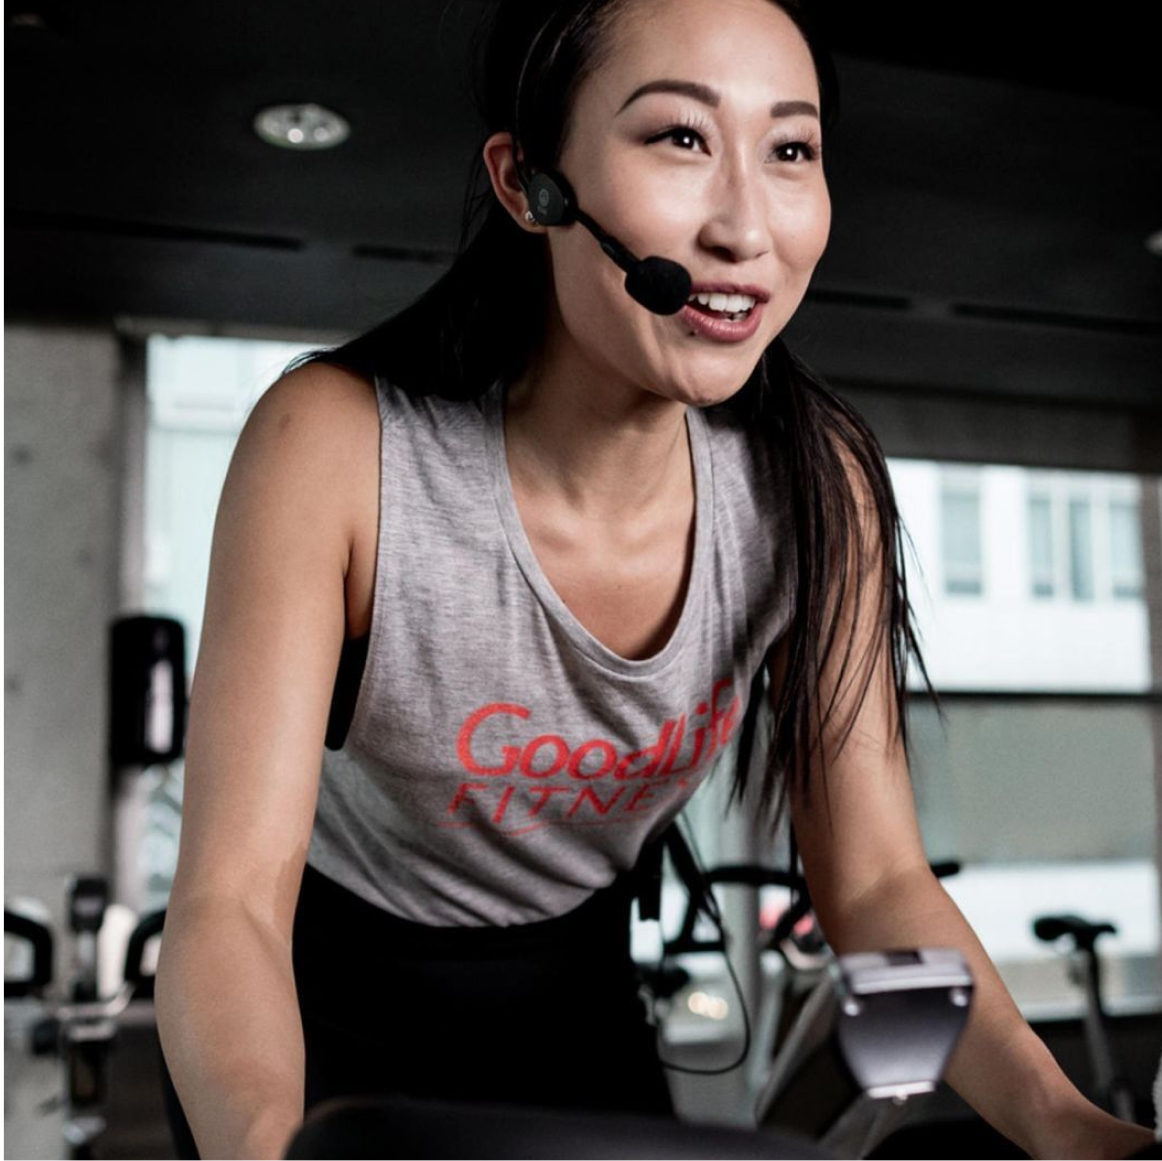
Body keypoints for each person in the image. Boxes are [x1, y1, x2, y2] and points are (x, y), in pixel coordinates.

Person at [154, 0, 1157, 1158]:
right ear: (530, 183)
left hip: (570, 987)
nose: (747, 227)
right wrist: (266, 1147)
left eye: (790, 151)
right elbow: (228, 901)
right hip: (302, 995)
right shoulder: (334, 446)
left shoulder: (811, 483)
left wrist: (1066, 1126)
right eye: (680, 139)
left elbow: (877, 883)